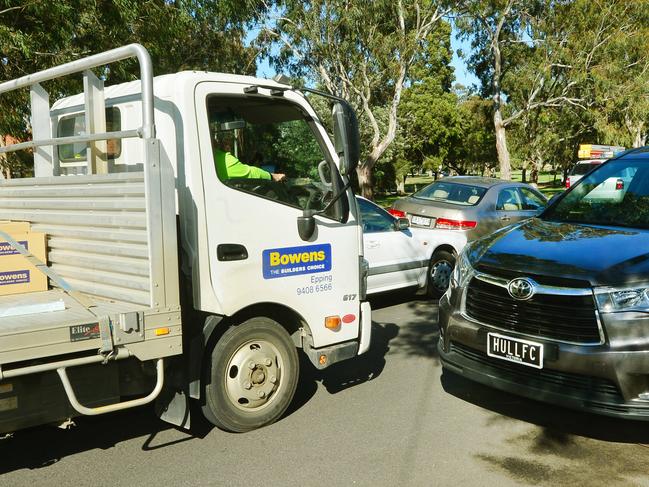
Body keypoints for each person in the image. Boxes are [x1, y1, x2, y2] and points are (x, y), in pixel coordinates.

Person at [213, 135, 286, 182]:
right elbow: (249, 173)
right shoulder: (222, 159)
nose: (228, 147)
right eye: (225, 144)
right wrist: (272, 176)